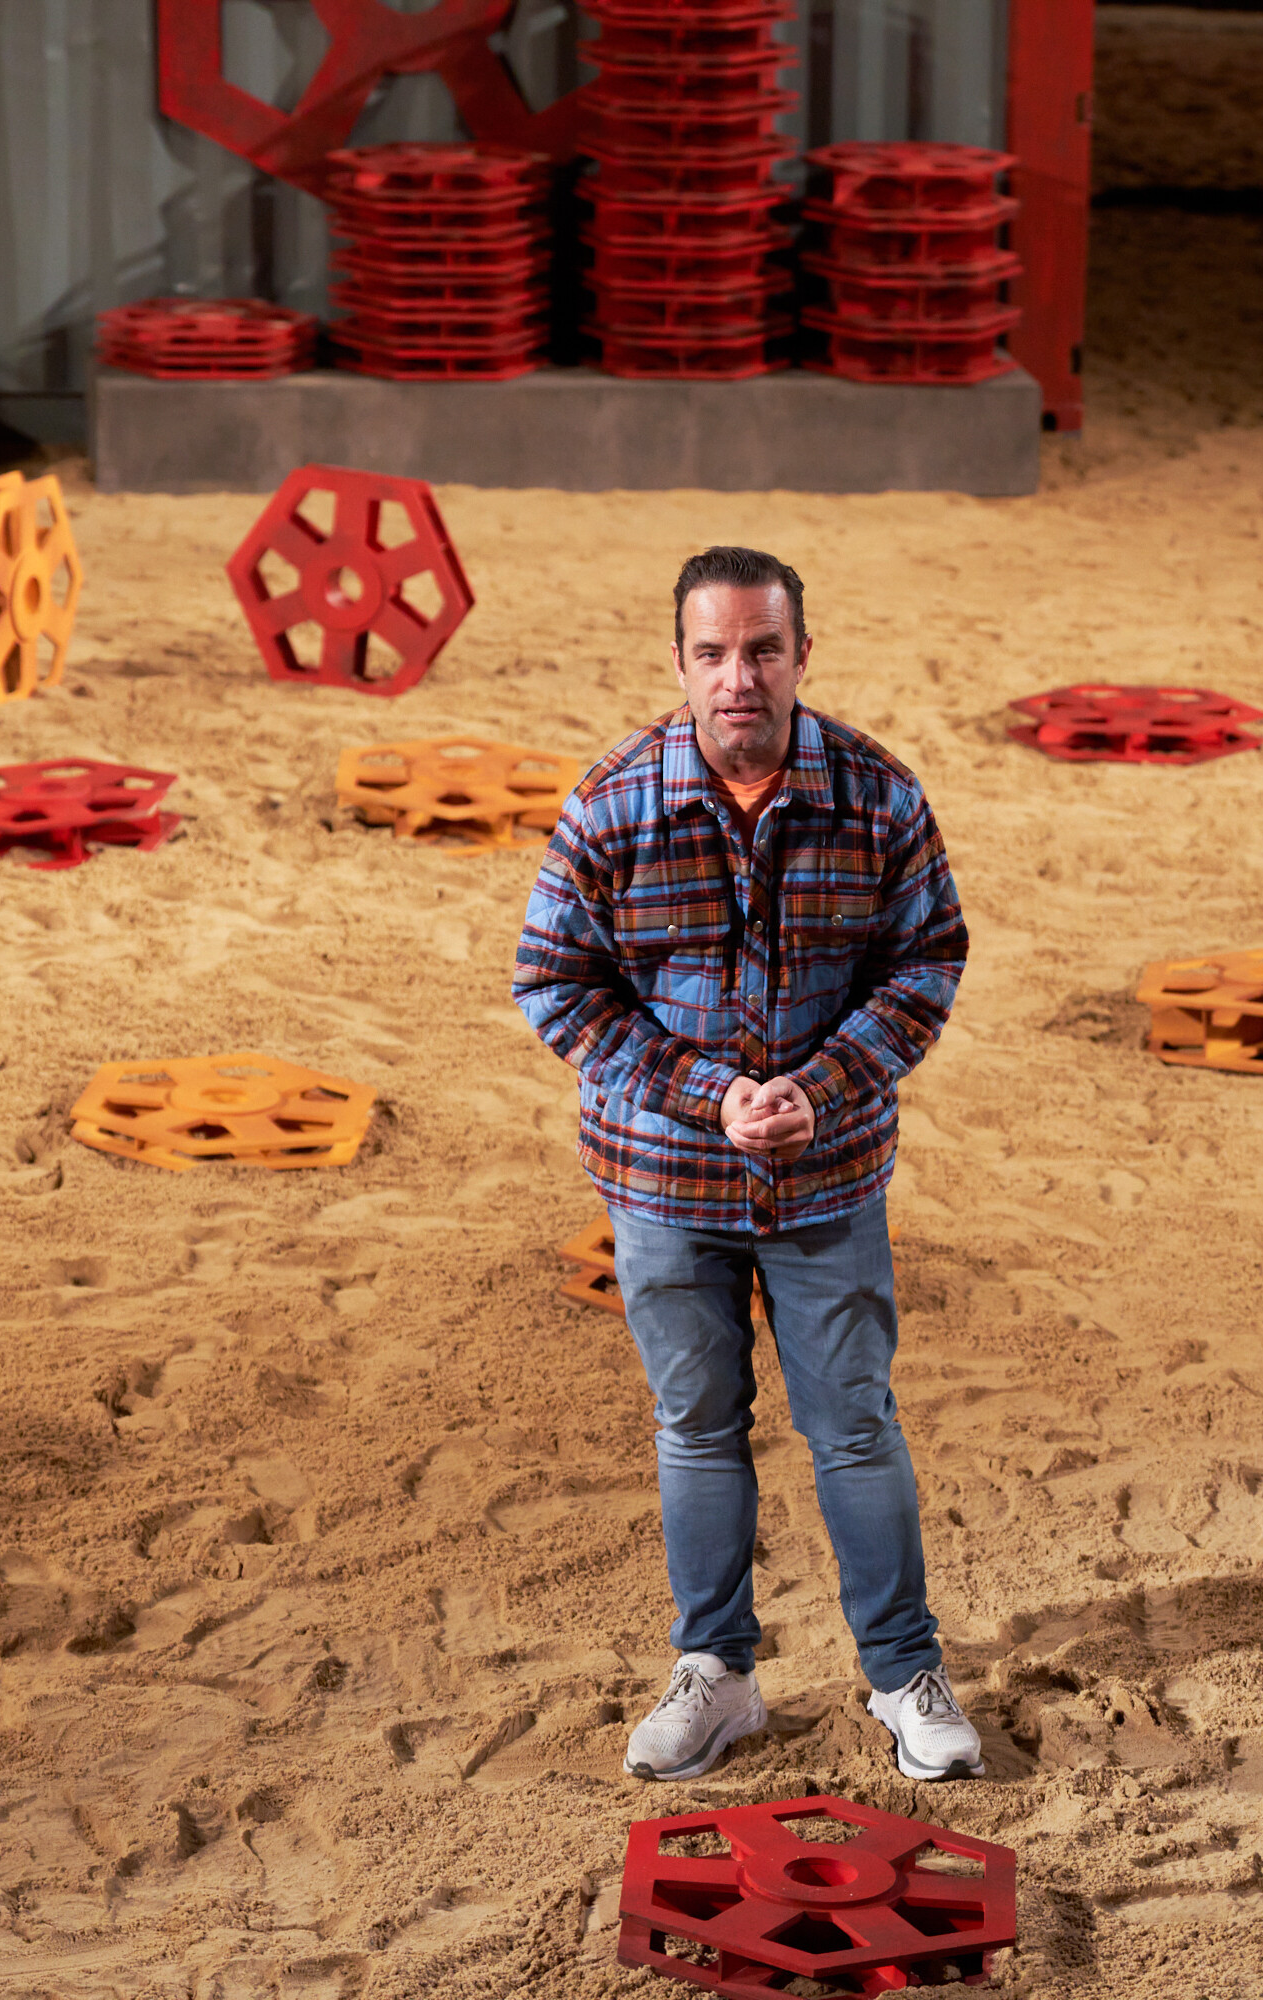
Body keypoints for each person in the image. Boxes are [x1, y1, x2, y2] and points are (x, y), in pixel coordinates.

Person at [513, 545, 979, 1784]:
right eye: (712, 653)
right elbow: (553, 983)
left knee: (858, 1428)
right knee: (696, 1426)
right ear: (678, 664)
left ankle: (900, 1671)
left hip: (827, 1180)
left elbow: (927, 960)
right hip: (665, 1181)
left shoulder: (878, 795)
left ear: (801, 658)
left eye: (763, 650)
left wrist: (819, 1088)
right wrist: (708, 1093)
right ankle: (715, 1673)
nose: (739, 677)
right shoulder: (609, 804)